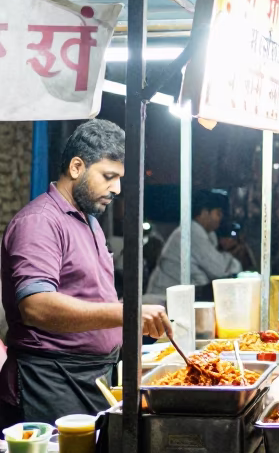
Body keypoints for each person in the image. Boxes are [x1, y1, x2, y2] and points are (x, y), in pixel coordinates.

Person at [0, 120, 172, 427]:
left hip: (90, 378)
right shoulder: (40, 222)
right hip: (49, 381)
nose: (117, 189)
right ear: (77, 167)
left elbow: (92, 295)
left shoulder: (87, 220)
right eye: (108, 176)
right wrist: (128, 314)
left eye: (119, 178)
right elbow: (36, 306)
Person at [147, 190, 250, 299]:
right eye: (218, 213)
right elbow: (220, 270)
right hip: (163, 298)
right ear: (204, 213)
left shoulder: (205, 234)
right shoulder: (190, 233)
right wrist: (231, 258)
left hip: (179, 297)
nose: (220, 219)